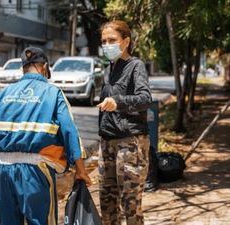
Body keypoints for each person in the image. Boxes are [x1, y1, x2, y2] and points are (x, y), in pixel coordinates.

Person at [0, 46, 92, 225]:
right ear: (45, 67)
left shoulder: (6, 92)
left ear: (23, 67)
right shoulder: (53, 93)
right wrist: (80, 169)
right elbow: (69, 130)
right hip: (35, 170)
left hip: (2, 170)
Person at [97, 20, 152, 225]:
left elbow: (145, 99)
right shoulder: (108, 69)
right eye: (103, 41)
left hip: (130, 143)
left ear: (125, 41)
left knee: (129, 205)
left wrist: (117, 102)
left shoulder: (135, 66)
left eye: (112, 40)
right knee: (107, 204)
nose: (107, 45)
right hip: (107, 143)